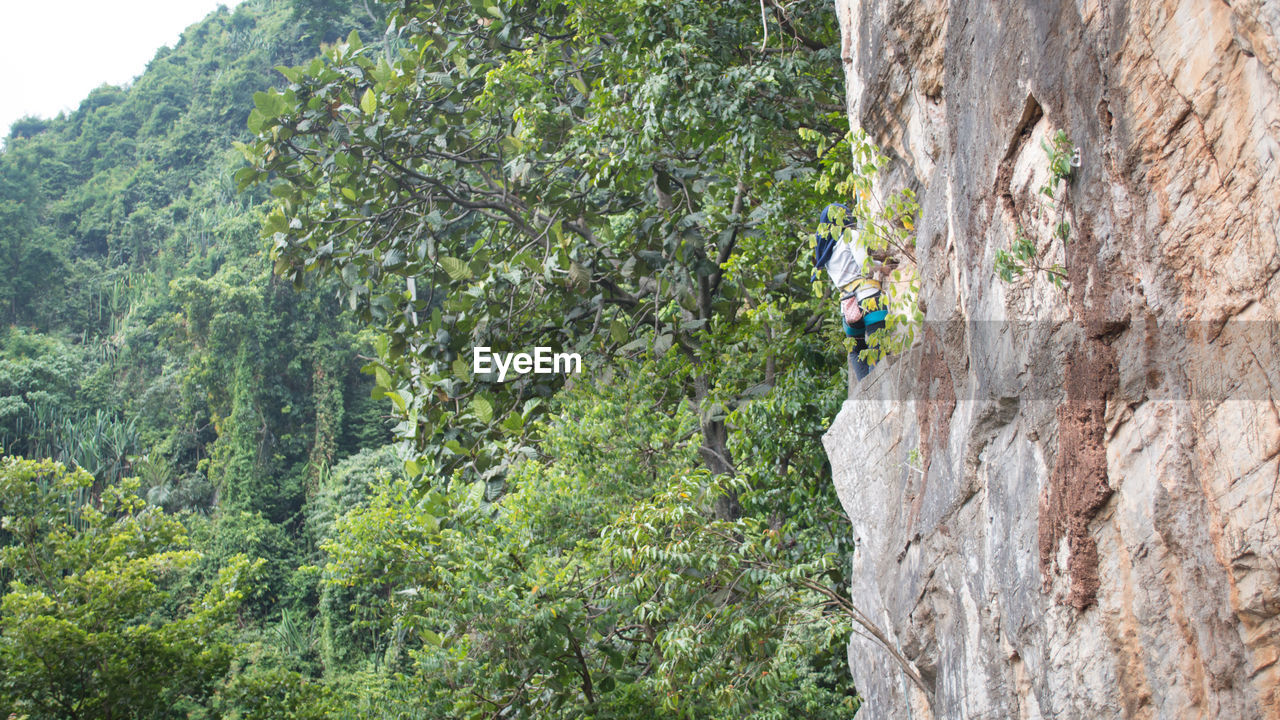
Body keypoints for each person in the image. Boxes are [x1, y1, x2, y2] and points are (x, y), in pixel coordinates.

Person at [813, 202, 887, 382]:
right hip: (868, 297)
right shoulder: (851, 236)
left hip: (848, 306)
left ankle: (865, 392)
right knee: (878, 343)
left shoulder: (826, 251)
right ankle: (877, 388)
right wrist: (884, 267)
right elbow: (865, 267)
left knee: (856, 351)